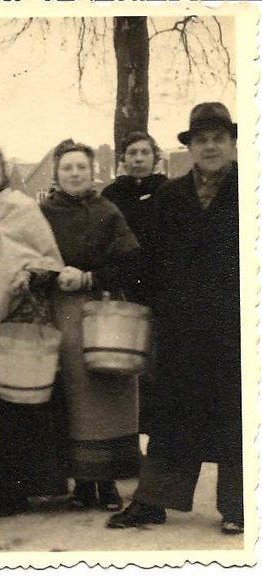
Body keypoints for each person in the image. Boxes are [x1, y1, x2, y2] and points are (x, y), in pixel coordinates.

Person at [108, 103, 243, 535]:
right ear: (190, 146)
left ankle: (241, 507)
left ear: (232, 143)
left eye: (217, 138)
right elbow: (147, 257)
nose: (209, 147)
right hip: (180, 325)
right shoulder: (170, 196)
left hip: (236, 324)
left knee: (237, 414)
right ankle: (152, 501)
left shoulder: (249, 190)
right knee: (172, 411)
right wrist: (140, 299)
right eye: (201, 139)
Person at [0, 143, 69, 517]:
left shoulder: (22, 207)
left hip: (22, 311)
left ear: (3, 172)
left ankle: (29, 484)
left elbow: (48, 257)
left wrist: (29, 274)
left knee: (23, 399)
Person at [40, 139, 142, 512]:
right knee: (73, 396)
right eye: (67, 168)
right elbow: (32, 262)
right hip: (61, 313)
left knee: (109, 392)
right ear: (57, 173)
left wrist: (90, 278)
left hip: (103, 311)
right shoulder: (43, 214)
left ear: (92, 171)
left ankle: (110, 481)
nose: (74, 173)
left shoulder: (108, 211)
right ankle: (83, 481)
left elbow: (132, 262)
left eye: (80, 167)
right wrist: (53, 277)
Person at [101, 132, 168, 435]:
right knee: (123, 367)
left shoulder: (168, 192)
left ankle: (155, 440)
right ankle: (125, 438)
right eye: (132, 153)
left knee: (157, 367)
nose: (138, 158)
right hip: (122, 291)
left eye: (144, 152)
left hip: (160, 290)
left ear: (155, 158)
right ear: (123, 160)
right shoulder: (111, 196)